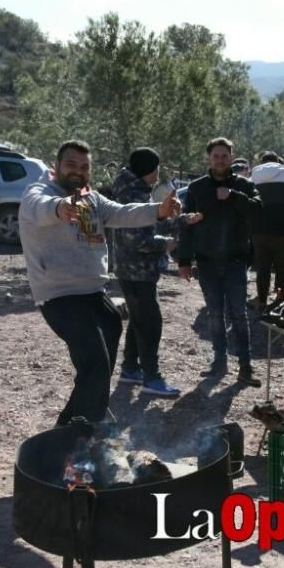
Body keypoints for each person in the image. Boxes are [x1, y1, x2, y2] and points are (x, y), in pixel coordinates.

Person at [19, 140, 182, 425]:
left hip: (93, 292)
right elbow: (38, 207)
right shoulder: (41, 192)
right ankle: (85, 431)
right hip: (59, 295)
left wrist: (159, 210)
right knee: (94, 361)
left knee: (107, 336)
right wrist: (59, 208)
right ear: (56, 166)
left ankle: (72, 420)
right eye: (71, 165)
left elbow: (121, 213)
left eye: (84, 167)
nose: (78, 171)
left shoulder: (90, 199)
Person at [111, 147, 203, 398]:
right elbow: (135, 239)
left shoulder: (135, 190)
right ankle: (151, 378)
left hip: (132, 269)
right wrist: (166, 244)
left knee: (139, 320)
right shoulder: (133, 195)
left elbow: (150, 222)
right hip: (136, 270)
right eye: (157, 168)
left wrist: (182, 220)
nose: (158, 173)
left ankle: (131, 368)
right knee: (150, 324)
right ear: (148, 170)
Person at [177, 137, 264, 387]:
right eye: (216, 155)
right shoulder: (196, 188)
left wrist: (233, 196)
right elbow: (186, 224)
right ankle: (219, 362)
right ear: (209, 158)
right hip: (206, 262)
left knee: (238, 314)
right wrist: (184, 260)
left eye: (224, 155)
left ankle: (245, 367)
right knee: (215, 315)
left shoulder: (244, 185)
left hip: (236, 260)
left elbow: (258, 211)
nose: (220, 160)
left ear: (231, 157)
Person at [250, 151, 284, 304]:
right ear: (278, 161)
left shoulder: (253, 176)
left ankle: (261, 302)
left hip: (259, 230)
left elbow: (247, 200)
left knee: (262, 268)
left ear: (262, 161)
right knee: (282, 267)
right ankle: (280, 302)